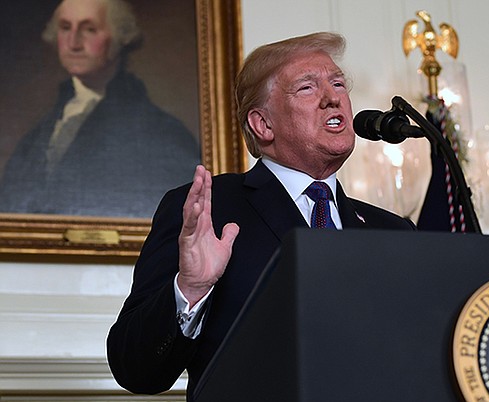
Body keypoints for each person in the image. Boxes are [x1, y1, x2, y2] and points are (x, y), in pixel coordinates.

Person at [106, 32, 416, 399]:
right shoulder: (210, 209)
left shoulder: (394, 231)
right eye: (307, 88)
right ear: (262, 125)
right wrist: (189, 290)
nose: (333, 97)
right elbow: (136, 369)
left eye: (337, 83)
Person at [0, 0, 199, 217]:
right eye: (65, 28)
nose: (73, 42)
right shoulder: (41, 132)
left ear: (119, 37)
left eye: (89, 29)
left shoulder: (161, 132)